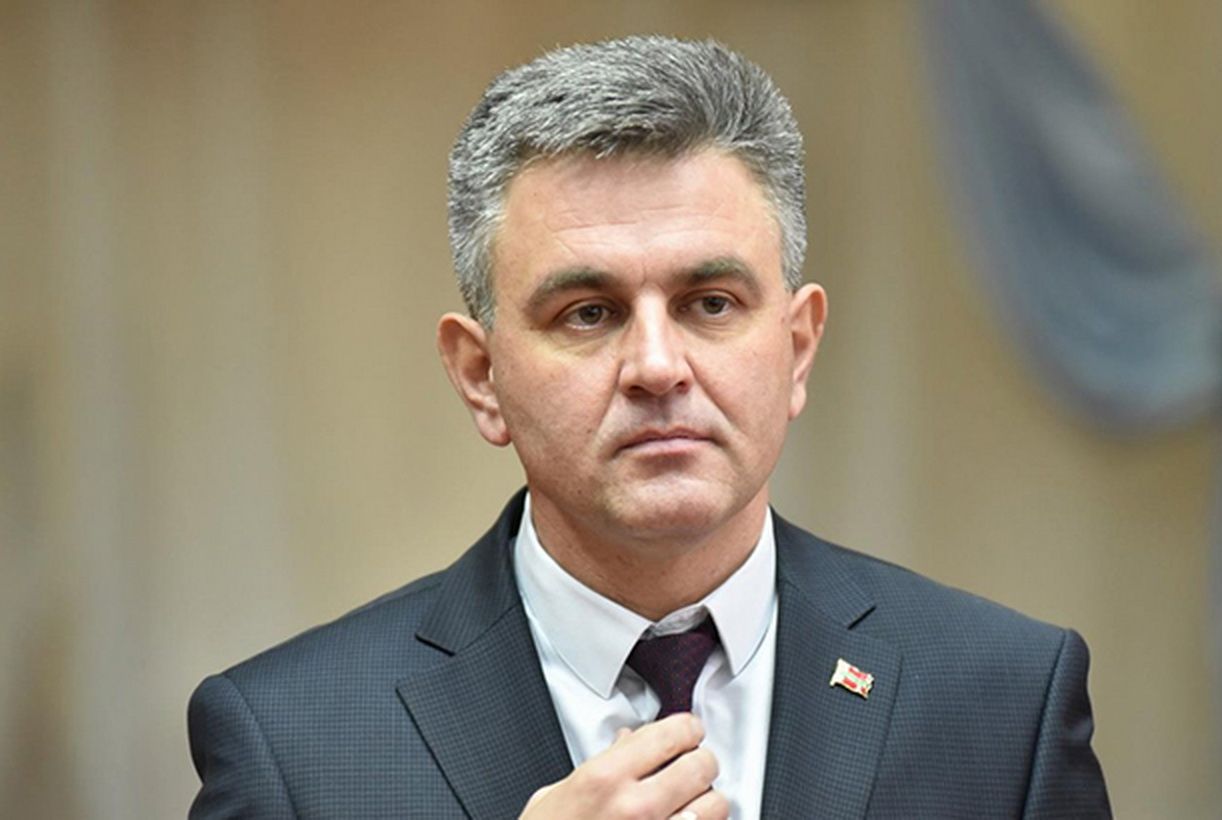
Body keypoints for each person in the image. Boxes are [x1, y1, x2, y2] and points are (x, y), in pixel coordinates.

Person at [187, 35, 1110, 819]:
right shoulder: (293, 745)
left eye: (710, 303)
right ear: (480, 376)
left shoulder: (1003, 703)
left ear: (796, 350)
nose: (658, 366)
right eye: (587, 313)